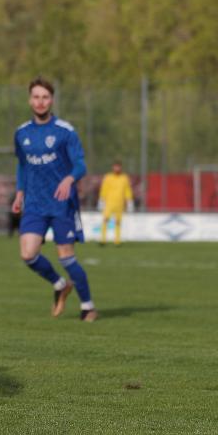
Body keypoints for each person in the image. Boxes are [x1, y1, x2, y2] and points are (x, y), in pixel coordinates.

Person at [11, 77, 97, 322]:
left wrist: (69, 179)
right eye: (36, 97)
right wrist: (20, 192)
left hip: (61, 204)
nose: (40, 102)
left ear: (52, 100)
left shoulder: (65, 132)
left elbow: (80, 164)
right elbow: (23, 165)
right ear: (30, 100)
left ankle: (88, 306)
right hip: (35, 204)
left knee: (66, 257)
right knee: (28, 254)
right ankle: (59, 284)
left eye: (45, 97)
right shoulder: (21, 133)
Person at [98, 161, 134, 246]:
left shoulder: (124, 178)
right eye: (115, 167)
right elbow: (104, 188)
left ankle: (117, 241)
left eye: (118, 167)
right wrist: (101, 199)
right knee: (105, 220)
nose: (117, 168)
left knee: (118, 222)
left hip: (120, 203)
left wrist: (129, 201)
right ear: (113, 167)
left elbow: (127, 190)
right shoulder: (108, 177)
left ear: (121, 168)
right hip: (109, 203)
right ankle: (103, 240)